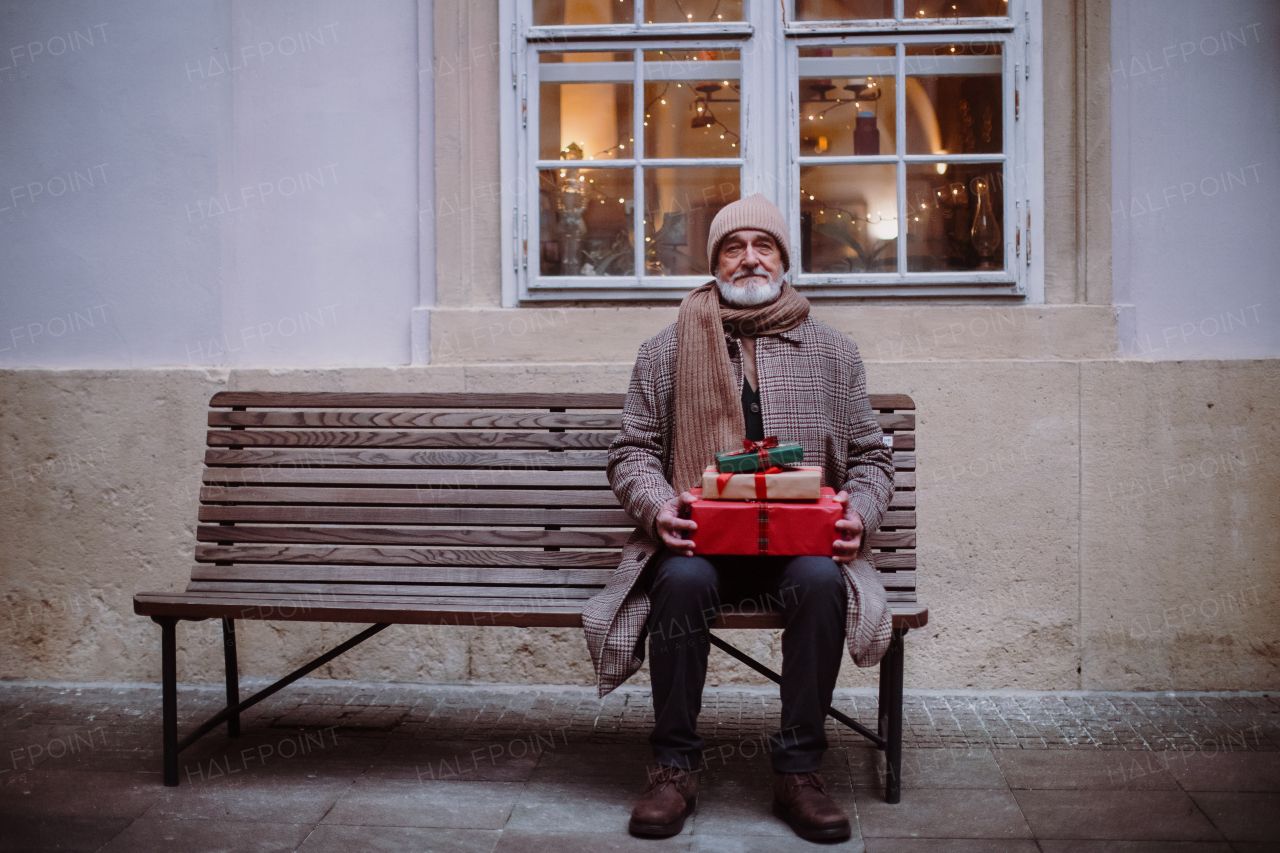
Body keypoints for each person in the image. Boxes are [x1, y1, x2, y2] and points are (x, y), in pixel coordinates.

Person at [581, 193, 896, 842]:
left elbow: (871, 459)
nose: (749, 258)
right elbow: (632, 451)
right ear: (716, 262)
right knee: (682, 583)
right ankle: (673, 766)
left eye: (764, 245)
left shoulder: (834, 353)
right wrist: (658, 506)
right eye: (733, 246)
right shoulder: (666, 349)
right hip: (702, 542)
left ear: (783, 259)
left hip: (799, 542)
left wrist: (858, 515)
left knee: (817, 581)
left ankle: (800, 770)